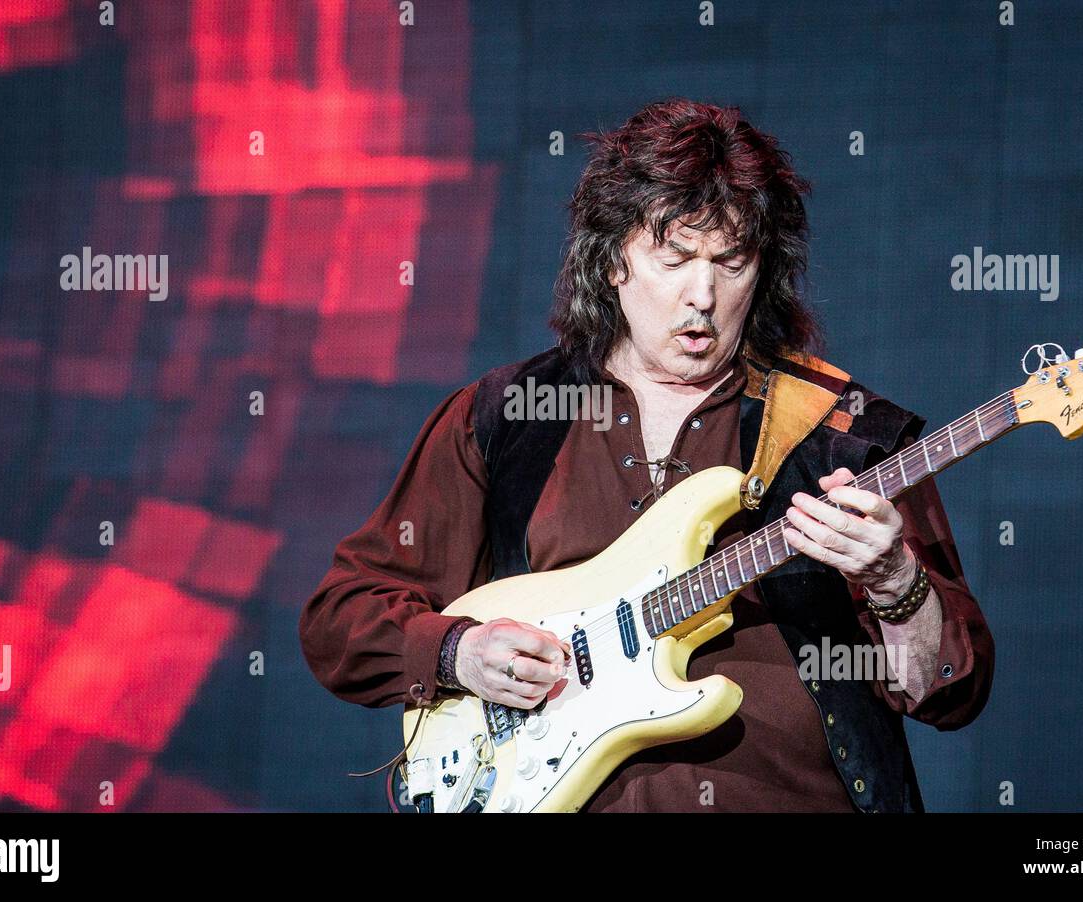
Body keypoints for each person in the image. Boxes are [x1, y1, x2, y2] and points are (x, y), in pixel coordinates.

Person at [299, 98, 994, 812]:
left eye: (731, 262)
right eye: (675, 258)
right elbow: (339, 619)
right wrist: (459, 654)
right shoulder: (506, 419)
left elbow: (949, 691)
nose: (703, 296)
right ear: (612, 263)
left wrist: (894, 579)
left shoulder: (843, 435)